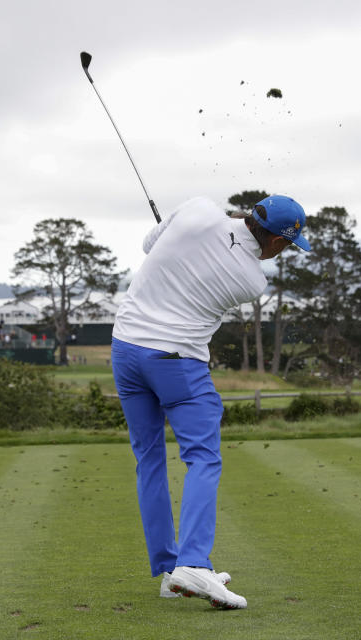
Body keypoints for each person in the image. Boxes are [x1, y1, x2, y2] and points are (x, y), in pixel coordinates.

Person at [111, 194, 310, 610]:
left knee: (148, 458)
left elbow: (151, 245)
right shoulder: (253, 282)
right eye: (289, 245)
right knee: (203, 457)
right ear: (276, 243)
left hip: (125, 349)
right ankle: (194, 564)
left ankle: (171, 572)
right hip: (176, 361)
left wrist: (180, 227)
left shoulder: (200, 208)